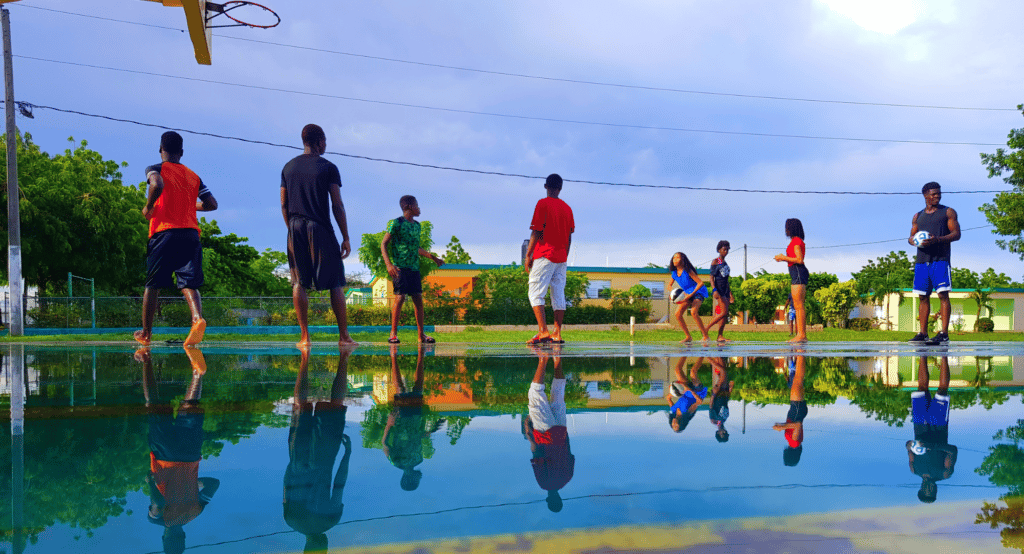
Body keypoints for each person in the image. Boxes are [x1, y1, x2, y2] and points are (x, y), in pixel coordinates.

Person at [136, 131, 218, 347]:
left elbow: (157, 184)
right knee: (188, 282)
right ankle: (197, 318)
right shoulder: (193, 175)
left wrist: (148, 206)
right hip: (190, 233)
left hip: (164, 232)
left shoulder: (156, 168)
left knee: (153, 284)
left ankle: (146, 333)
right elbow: (211, 204)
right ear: (181, 152)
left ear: (160, 150)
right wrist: (191, 206)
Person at [137, 347, 219, 554]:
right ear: (165, 539)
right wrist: (150, 484)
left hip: (190, 456)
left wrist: (192, 483)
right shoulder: (158, 521)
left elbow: (213, 484)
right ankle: (146, 359)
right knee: (154, 405)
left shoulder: (195, 513)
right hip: (164, 457)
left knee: (190, 405)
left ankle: (197, 374)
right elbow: (157, 502)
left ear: (183, 537)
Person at [280, 123, 356, 349]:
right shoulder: (328, 167)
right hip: (319, 227)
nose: (326, 145)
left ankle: (305, 338)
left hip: (294, 226)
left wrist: (291, 230)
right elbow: (337, 205)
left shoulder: (288, 167)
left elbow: (283, 204)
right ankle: (344, 337)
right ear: (319, 141)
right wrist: (346, 236)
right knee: (335, 282)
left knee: (298, 282)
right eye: (325, 141)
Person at [284, 346, 353, 553]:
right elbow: (286, 486)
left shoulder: (329, 521)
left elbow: (339, 485)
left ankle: (344, 358)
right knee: (300, 406)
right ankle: (304, 358)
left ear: (324, 546)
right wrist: (293, 458)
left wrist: (346, 455)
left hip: (323, 460)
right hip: (297, 462)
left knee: (336, 404)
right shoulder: (291, 521)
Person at [381, 195, 445, 344]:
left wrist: (433, 257)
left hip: (414, 268)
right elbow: (383, 244)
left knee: (418, 299)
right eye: (417, 205)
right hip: (399, 268)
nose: (419, 208)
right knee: (400, 297)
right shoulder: (395, 223)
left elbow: (416, 247)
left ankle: (421, 335)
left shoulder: (417, 226)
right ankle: (393, 334)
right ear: (409, 207)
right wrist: (388, 264)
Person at [382, 344, 441, 491]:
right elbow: (415, 439)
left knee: (400, 389)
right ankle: (421, 356)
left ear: (409, 480)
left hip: (400, 421)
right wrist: (431, 430)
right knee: (418, 388)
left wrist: (389, 424)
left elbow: (385, 445)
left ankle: (393, 356)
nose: (419, 478)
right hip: (415, 419)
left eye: (416, 481)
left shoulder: (395, 462)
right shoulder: (418, 460)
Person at [908, 182, 961, 345]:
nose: (937, 196)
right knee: (923, 296)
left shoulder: (948, 212)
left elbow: (956, 234)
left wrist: (937, 239)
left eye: (939, 193)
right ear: (925, 195)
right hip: (922, 261)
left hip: (940, 260)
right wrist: (912, 241)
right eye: (933, 194)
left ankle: (944, 333)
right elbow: (911, 237)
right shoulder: (918, 216)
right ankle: (923, 333)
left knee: (942, 295)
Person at [524, 174, 575, 345]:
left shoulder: (542, 204)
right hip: (561, 257)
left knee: (535, 292)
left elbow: (536, 231)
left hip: (544, 254)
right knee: (558, 293)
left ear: (546, 186)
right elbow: (569, 237)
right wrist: (564, 256)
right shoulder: (567, 208)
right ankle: (557, 333)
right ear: (560, 188)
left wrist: (528, 255)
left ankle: (543, 331)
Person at [524, 344, 574, 512]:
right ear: (549, 500)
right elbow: (536, 454)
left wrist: (564, 434)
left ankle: (557, 358)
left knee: (558, 395)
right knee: (535, 395)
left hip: (561, 433)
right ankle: (543, 358)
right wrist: (529, 433)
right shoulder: (544, 483)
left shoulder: (567, 478)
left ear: (560, 498)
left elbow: (570, 453)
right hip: (545, 436)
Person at [906, 354, 957, 503]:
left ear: (921, 489)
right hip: (938, 427)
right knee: (942, 390)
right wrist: (932, 446)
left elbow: (908, 447)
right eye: (932, 493)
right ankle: (944, 355)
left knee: (921, 388)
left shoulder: (914, 470)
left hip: (920, 426)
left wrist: (911, 445)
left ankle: (922, 354)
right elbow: (953, 450)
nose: (930, 490)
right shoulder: (944, 474)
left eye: (926, 492)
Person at [774, 219, 808, 343]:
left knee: (799, 306)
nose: (785, 230)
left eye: (787, 228)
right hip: (796, 273)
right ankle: (800, 335)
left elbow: (799, 259)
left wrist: (782, 257)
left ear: (792, 228)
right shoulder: (795, 241)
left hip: (798, 272)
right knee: (798, 305)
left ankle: (802, 335)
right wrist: (783, 258)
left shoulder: (797, 241)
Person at [669, 252, 710, 344]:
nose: (675, 259)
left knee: (693, 312)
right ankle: (688, 337)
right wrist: (672, 293)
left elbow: (700, 283)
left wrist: (691, 295)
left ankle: (705, 336)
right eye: (673, 258)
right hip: (686, 293)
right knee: (677, 314)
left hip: (698, 291)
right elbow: (669, 285)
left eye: (677, 257)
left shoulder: (688, 271)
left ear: (682, 260)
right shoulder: (674, 273)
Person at [773, 355, 806, 466]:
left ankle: (800, 350)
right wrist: (781, 427)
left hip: (796, 409)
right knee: (798, 378)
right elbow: (798, 425)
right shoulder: (795, 443)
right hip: (797, 409)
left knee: (798, 379)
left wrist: (782, 426)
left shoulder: (794, 443)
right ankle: (801, 350)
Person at [665, 356, 708, 433]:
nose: (674, 424)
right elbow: (699, 402)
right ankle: (704, 350)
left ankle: (687, 349)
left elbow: (668, 398)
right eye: (676, 426)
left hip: (684, 390)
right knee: (693, 372)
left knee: (677, 370)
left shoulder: (673, 410)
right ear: (681, 424)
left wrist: (674, 391)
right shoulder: (687, 413)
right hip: (696, 391)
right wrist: (690, 390)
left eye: (672, 426)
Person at [706, 241, 735, 344]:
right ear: (719, 250)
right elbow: (711, 277)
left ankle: (720, 336)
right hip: (719, 290)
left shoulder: (725, 263)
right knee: (723, 312)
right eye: (724, 249)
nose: (726, 251)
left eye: (727, 249)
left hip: (726, 290)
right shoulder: (716, 261)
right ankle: (706, 329)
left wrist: (730, 294)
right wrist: (714, 290)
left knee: (725, 314)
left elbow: (726, 280)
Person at [707, 356, 734, 443]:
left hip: (717, 393)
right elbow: (726, 402)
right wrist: (730, 389)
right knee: (722, 370)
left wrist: (713, 393)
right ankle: (718, 350)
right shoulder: (724, 419)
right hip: (725, 392)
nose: (724, 432)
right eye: (726, 433)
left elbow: (711, 406)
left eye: (722, 434)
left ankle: (708, 357)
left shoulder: (713, 420)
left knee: (723, 372)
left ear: (718, 433)